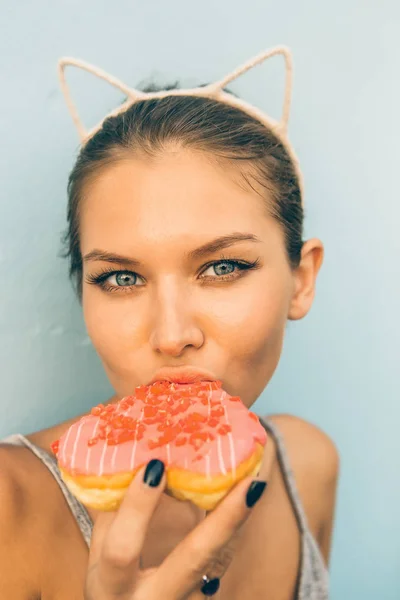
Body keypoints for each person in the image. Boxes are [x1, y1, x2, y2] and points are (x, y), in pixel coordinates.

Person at [0, 46, 339, 599]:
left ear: (301, 279)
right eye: (121, 278)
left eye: (222, 267)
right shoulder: (8, 510)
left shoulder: (309, 465)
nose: (171, 334)